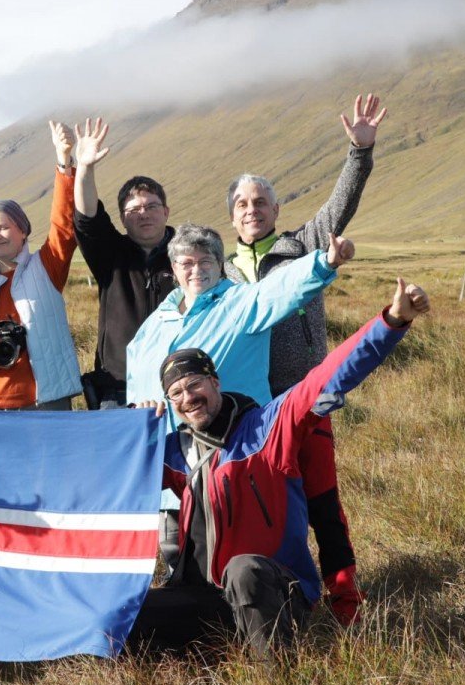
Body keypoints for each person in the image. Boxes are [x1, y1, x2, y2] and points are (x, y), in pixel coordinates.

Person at [127, 278, 430, 656]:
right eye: (176, 393)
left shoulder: (269, 427)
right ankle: (206, 660)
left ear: (215, 382)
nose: (188, 398)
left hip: (275, 592)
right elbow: (113, 478)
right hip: (207, 598)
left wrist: (392, 322)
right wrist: (133, 432)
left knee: (243, 570)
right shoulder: (176, 452)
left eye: (194, 385)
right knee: (125, 615)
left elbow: (330, 375)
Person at [224, 93, 387, 626]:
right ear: (232, 218)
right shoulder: (218, 274)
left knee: (323, 507)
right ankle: (281, 599)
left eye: (261, 202)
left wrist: (358, 154)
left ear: (275, 210)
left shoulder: (301, 246)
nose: (253, 210)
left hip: (308, 401)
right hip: (249, 415)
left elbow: (340, 207)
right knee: (270, 510)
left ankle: (345, 604)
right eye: (243, 205)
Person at [125, 224, 352, 418]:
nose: (196, 270)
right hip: (170, 449)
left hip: (235, 440)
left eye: (205, 261)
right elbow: (135, 375)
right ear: (174, 268)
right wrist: (137, 409)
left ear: (219, 266)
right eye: (186, 263)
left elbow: (283, 287)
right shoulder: (158, 320)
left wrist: (325, 263)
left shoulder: (240, 303)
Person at [0, 120, 82, 410]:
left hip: (46, 403)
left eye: (3, 227)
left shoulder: (46, 267)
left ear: (23, 230)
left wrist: (64, 162)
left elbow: (64, 226)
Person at [72, 118, 176, 408]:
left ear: (166, 211)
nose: (143, 213)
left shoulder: (189, 254)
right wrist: (85, 168)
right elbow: (87, 218)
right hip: (118, 390)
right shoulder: (110, 255)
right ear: (122, 218)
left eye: (151, 206)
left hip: (179, 387)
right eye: (133, 209)